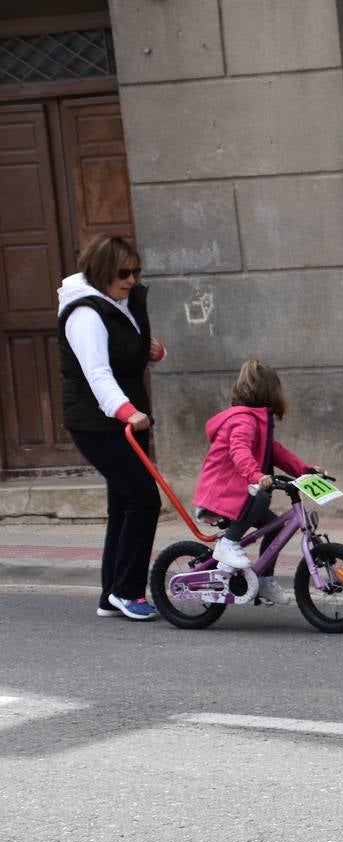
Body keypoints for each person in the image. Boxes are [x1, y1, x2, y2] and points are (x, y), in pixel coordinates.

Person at [57, 234, 164, 621]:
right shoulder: (85, 314)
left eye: (136, 271)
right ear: (101, 271)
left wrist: (154, 351)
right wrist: (126, 412)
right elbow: (97, 374)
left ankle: (111, 594)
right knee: (143, 498)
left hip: (123, 419)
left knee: (124, 502)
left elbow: (127, 352)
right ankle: (129, 590)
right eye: (124, 272)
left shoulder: (118, 303)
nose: (132, 280)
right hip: (99, 422)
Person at [192, 359, 322, 606]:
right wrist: (255, 476)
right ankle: (228, 543)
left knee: (275, 527)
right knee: (260, 496)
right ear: (269, 392)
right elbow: (239, 450)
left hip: (236, 495)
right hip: (221, 497)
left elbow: (276, 452)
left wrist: (305, 470)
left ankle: (262, 579)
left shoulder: (260, 422)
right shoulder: (243, 420)